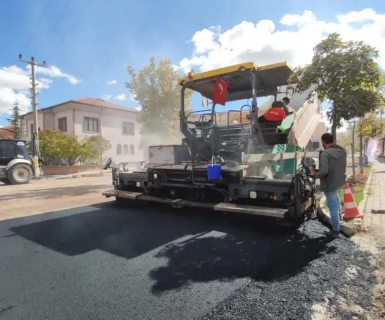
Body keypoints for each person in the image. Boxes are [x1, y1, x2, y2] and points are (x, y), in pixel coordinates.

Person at [310, 133, 347, 238]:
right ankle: (339, 222)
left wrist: (314, 174)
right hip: (338, 182)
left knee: (333, 207)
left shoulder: (325, 154)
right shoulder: (342, 151)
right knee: (336, 202)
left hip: (330, 183)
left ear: (323, 141)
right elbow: (333, 167)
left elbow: (324, 171)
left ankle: (335, 230)